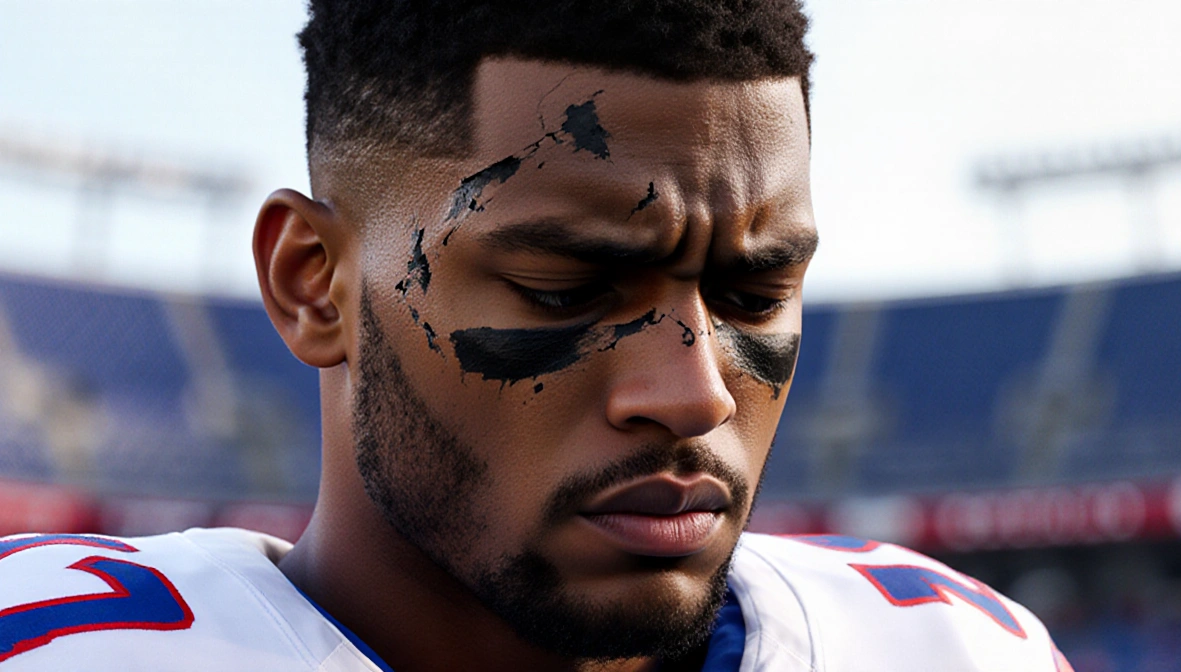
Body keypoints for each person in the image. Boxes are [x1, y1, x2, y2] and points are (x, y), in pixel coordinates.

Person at [0, 1, 1074, 670]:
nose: (694, 394)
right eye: (565, 287)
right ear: (313, 285)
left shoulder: (948, 651)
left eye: (754, 293)